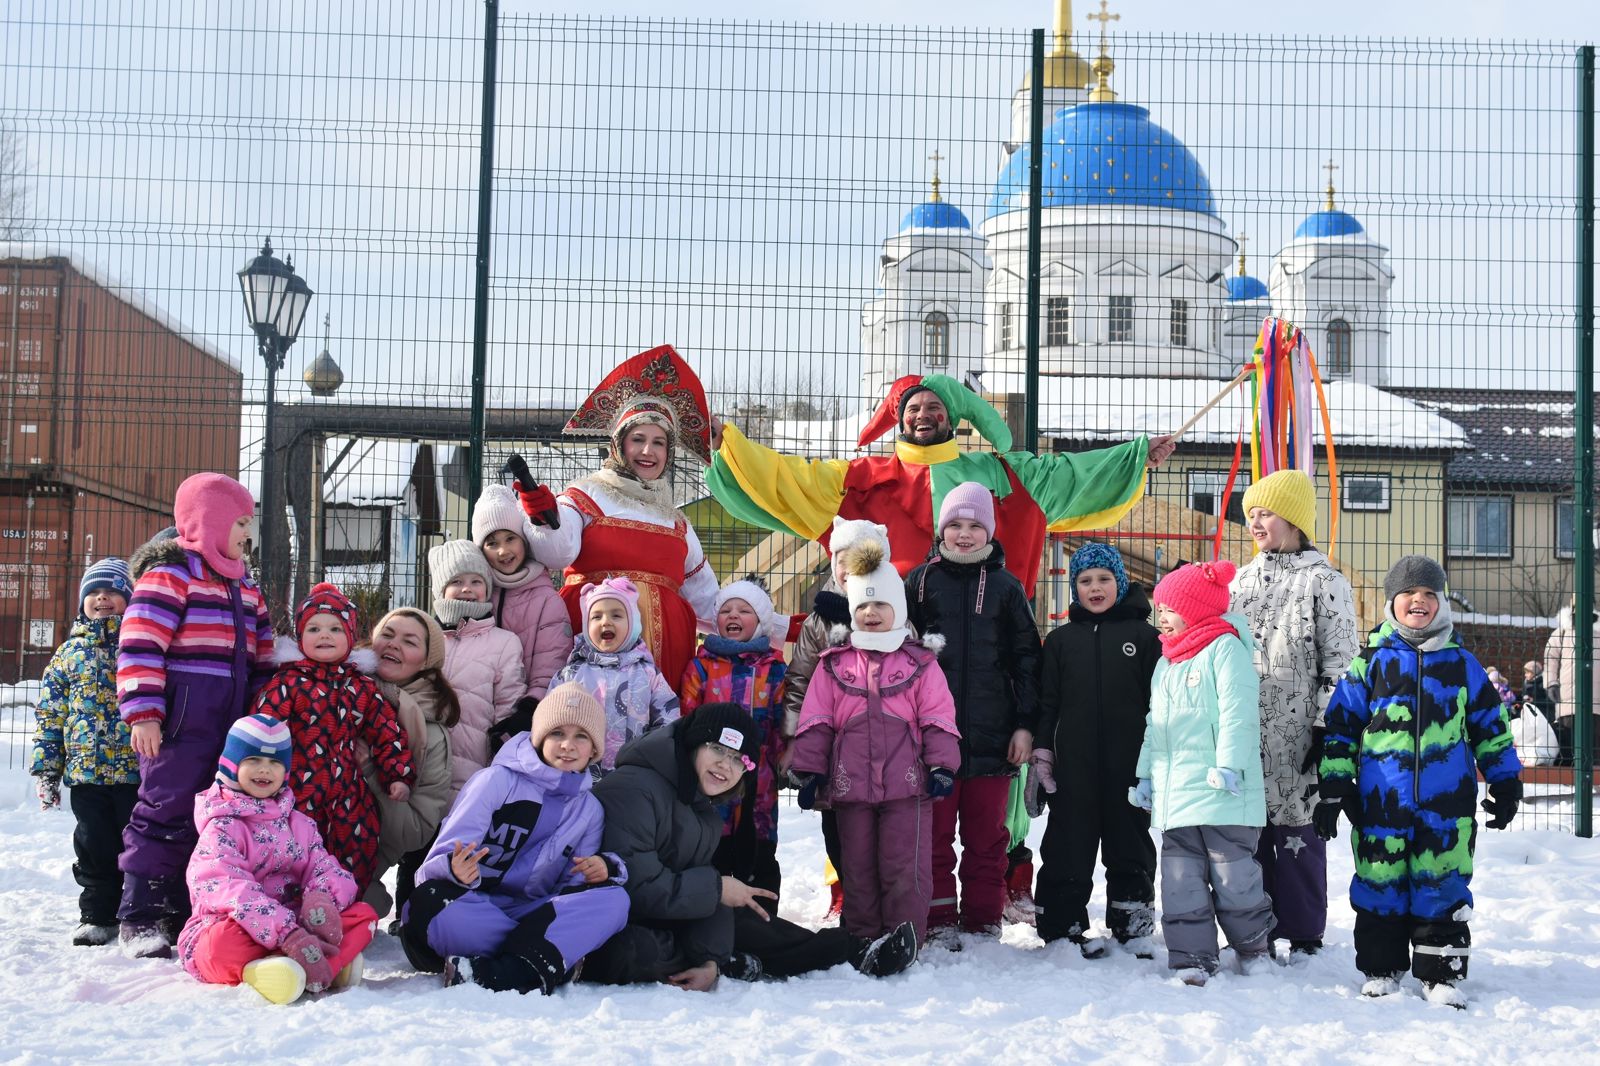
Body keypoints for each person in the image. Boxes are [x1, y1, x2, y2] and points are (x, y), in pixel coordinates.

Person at [707, 372, 1175, 588]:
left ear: (951, 419)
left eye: (935, 407)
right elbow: (789, 478)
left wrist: (1135, 456)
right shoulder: (859, 477)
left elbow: (1070, 474)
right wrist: (728, 444)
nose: (923, 414)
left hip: (984, 621)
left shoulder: (1001, 472)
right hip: (890, 625)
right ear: (900, 420)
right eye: (913, 408)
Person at [583, 705, 919, 988]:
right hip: (610, 923)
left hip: (657, 913)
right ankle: (726, 960)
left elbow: (692, 898)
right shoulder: (636, 788)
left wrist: (709, 959)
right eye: (717, 749)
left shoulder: (699, 807)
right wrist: (716, 890)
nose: (725, 766)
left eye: (737, 759)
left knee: (739, 918)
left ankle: (853, 953)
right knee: (638, 951)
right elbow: (636, 886)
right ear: (692, 744)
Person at [1317, 555, 1523, 1008]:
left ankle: (1441, 973)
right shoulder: (1370, 662)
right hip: (1380, 802)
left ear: (1441, 603)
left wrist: (1505, 781)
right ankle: (1381, 969)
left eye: (1430, 593)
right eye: (1409, 592)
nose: (1419, 601)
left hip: (1447, 805)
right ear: (1392, 601)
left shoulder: (1462, 664)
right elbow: (1341, 728)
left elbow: (1492, 726)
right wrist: (1335, 786)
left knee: (1442, 882)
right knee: (1379, 882)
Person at [116, 474, 275, 957]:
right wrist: (144, 712)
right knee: (165, 811)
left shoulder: (246, 587)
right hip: (178, 724)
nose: (247, 533)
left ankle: (191, 909)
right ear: (211, 521)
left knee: (218, 818)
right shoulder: (171, 576)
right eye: (240, 523)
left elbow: (264, 655)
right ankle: (143, 914)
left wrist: (264, 712)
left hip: (232, 726)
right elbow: (140, 645)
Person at [399, 684, 632, 995]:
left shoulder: (589, 810)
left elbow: (571, 893)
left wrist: (600, 868)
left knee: (615, 900)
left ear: (594, 750)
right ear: (539, 738)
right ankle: (543, 959)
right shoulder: (495, 781)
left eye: (581, 736)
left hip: (531, 913)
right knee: (430, 901)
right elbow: (431, 869)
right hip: (472, 909)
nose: (568, 745)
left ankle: (503, 971)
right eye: (557, 733)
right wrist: (454, 869)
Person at [791, 538, 961, 945]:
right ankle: (862, 937)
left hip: (907, 788)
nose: (871, 613)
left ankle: (904, 936)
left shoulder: (919, 663)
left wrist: (942, 765)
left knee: (904, 865)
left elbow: (938, 716)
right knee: (858, 867)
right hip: (851, 787)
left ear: (898, 609)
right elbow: (817, 719)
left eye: (881, 604)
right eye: (863, 605)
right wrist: (810, 770)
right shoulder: (835, 665)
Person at [519, 348, 719, 691]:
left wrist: (781, 626)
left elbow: (710, 603)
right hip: (587, 659)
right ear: (618, 444)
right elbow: (557, 552)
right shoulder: (584, 495)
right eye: (637, 439)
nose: (648, 451)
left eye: (659, 443)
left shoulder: (677, 523)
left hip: (666, 667)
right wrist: (542, 516)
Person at [1228, 470, 1358, 959]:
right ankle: (1251, 928)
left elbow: (1340, 661)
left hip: (1299, 734)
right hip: (1243, 731)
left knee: (1297, 831)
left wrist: (1327, 727)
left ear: (1296, 519)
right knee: (1248, 835)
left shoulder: (1325, 581)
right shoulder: (1240, 581)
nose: (1256, 522)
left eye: (1266, 513)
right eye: (1251, 514)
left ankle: (1303, 932)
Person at [904, 482, 1039, 943]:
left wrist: (1024, 726)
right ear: (942, 529)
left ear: (990, 532)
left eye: (975, 526)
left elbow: (1027, 659)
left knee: (987, 839)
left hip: (993, 738)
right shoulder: (920, 582)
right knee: (934, 837)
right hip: (933, 740)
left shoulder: (1006, 587)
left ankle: (982, 921)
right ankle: (939, 919)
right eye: (956, 524)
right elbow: (900, 655)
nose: (964, 534)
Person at [1135, 560, 1272, 986]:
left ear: (1195, 608)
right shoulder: (1167, 662)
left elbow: (1238, 713)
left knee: (1234, 877)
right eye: (1159, 609)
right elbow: (1154, 725)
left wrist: (1229, 764)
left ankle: (1253, 947)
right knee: (1181, 881)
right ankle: (1191, 957)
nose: (1161, 617)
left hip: (1222, 792)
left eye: (1170, 609)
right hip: (1178, 795)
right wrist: (1146, 776)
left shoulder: (1225, 649)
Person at [178, 714, 376, 1005]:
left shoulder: (299, 824)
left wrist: (320, 899)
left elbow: (325, 867)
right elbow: (233, 890)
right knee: (218, 947)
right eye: (253, 760)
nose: (264, 769)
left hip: (297, 925)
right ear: (231, 765)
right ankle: (310, 965)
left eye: (274, 762)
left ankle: (306, 965)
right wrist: (285, 932)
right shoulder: (221, 828)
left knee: (364, 916)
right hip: (237, 925)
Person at [1031, 543, 1160, 958]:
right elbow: (1048, 704)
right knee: (1067, 845)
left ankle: (1132, 924)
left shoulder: (1146, 638)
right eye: (1085, 581)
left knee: (1130, 844)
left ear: (1120, 582)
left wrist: (1156, 763)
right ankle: (1062, 927)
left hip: (1129, 767)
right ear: (1075, 589)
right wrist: (1042, 754)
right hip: (1074, 768)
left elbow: (1159, 704)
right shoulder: (1061, 641)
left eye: (1104, 578)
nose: (1095, 587)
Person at [255, 583, 414, 896]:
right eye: (314, 628)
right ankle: (290, 903)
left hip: (347, 792)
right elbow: (262, 729)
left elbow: (386, 730)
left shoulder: (360, 686)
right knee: (291, 852)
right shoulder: (286, 684)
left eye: (335, 629)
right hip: (296, 791)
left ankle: (343, 903)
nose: (324, 635)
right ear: (300, 637)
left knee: (354, 848)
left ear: (350, 637)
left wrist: (398, 773)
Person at [782, 516, 897, 919]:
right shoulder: (821, 620)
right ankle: (850, 896)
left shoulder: (894, 612)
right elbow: (799, 678)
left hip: (888, 744)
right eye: (841, 559)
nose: (849, 569)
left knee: (885, 830)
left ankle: (886, 903)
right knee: (838, 828)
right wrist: (795, 738)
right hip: (835, 745)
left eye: (860, 559)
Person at [30, 557, 139, 946]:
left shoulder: (140, 646)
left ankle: (139, 911)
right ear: (82, 602)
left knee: (137, 844)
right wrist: (47, 769)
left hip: (134, 771)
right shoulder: (68, 654)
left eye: (112, 591)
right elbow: (50, 715)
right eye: (94, 592)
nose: (102, 598)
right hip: (86, 774)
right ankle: (97, 914)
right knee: (94, 845)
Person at [680, 578, 789, 905]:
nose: (733, 615)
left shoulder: (774, 669)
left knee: (758, 850)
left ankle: (762, 915)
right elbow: (687, 717)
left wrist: (786, 758)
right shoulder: (701, 666)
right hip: (710, 777)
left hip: (759, 779)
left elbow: (783, 721)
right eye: (726, 609)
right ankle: (712, 913)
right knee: (711, 846)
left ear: (761, 621)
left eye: (744, 610)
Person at [363, 607, 459, 922]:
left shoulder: (431, 734)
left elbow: (416, 831)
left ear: (426, 661)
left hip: (357, 863)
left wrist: (370, 772)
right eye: (387, 635)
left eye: (409, 641)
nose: (394, 644)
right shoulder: (337, 689)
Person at [551, 576, 680, 774]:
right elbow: (551, 719)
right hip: (578, 774)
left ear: (632, 624)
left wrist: (651, 754)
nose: (606, 622)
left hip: (632, 773)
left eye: (616, 615)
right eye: (596, 617)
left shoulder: (647, 673)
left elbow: (668, 716)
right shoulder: (571, 674)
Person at [428, 539, 528, 796]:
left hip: (477, 768)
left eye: (476, 581)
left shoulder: (504, 642)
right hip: (425, 763)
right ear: (440, 589)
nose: (467, 589)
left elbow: (508, 703)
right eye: (456, 581)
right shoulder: (425, 637)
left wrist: (500, 754)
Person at [471, 484, 572, 699]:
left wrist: (530, 705)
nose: (503, 551)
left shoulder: (546, 601)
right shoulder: (477, 595)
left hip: (527, 708)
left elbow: (551, 665)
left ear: (524, 541)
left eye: (510, 538)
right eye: (492, 543)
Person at [1543, 600, 1600, 765]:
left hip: (1596, 704)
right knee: (1569, 746)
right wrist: (1551, 683)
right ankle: (1571, 776)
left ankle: (1594, 778)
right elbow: (1550, 659)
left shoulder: (1598, 633)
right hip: (1567, 703)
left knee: (1594, 749)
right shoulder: (1561, 634)